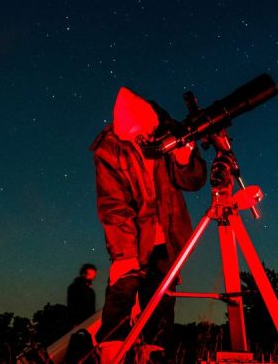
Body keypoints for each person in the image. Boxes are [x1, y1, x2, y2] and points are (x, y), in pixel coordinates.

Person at [90, 87, 207, 363]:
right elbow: (114, 207)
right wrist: (124, 255)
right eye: (135, 137)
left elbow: (195, 181)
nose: (142, 141)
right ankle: (110, 353)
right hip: (132, 239)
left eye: (144, 135)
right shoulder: (109, 150)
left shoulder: (167, 133)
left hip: (168, 237)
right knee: (121, 293)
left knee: (162, 304)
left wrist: (183, 159)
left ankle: (155, 354)